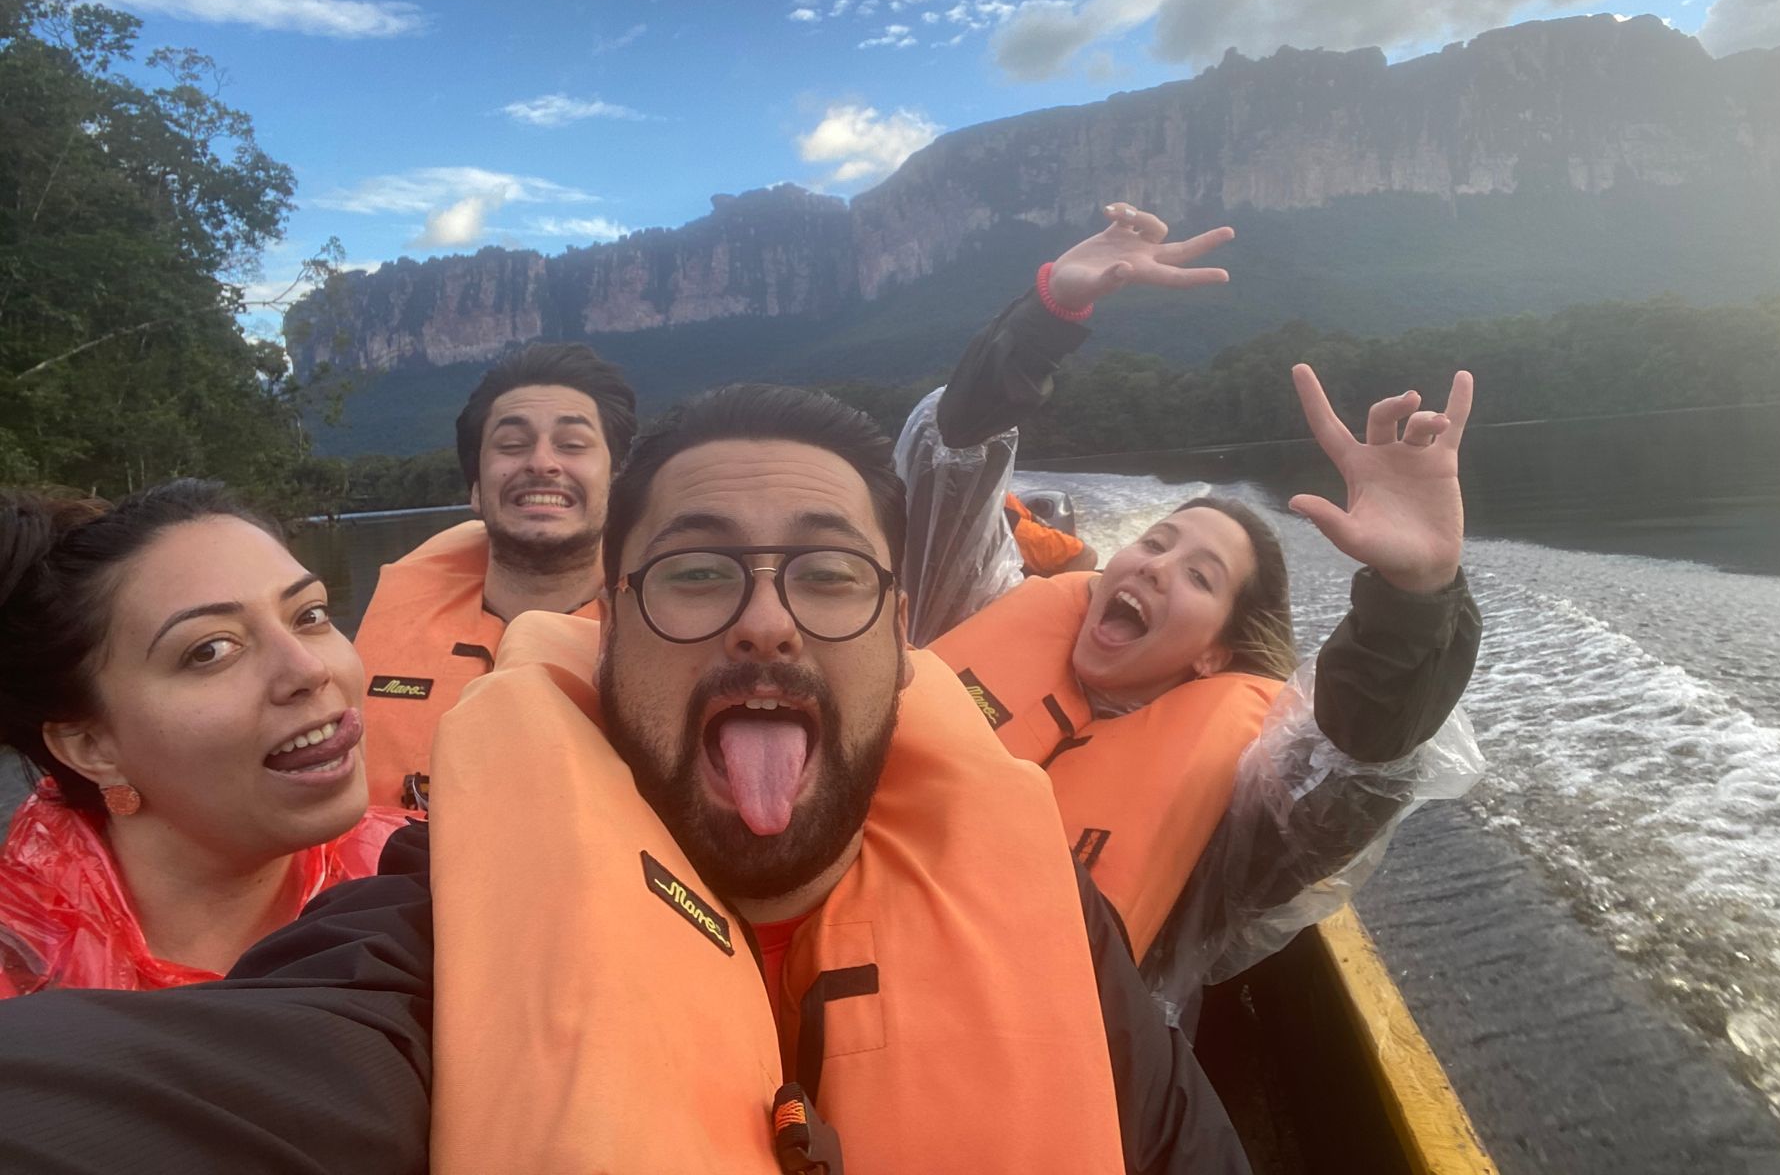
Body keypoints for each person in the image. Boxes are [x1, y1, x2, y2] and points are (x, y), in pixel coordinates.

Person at [0, 387, 1249, 1175]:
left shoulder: (1048, 920)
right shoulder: (441, 923)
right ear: (610, 622)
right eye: (697, 575)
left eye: (826, 576)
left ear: (901, 629)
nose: (765, 624)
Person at [899, 203, 1484, 1008]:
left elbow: (1358, 763)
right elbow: (951, 465)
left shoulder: (1238, 801)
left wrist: (1415, 595)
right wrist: (1047, 318)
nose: (1157, 566)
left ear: (1216, 651)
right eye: (1156, 543)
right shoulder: (973, 607)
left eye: (1202, 578)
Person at [0, 481, 408, 996]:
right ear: (91, 747)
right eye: (211, 650)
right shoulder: (23, 983)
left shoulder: (434, 884)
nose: (308, 668)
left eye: (310, 615)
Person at [355, 341, 638, 810]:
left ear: (617, 485)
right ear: (476, 491)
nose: (542, 463)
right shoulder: (386, 620)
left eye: (572, 445)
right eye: (511, 445)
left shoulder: (672, 645)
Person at [1005, 489, 1099, 573]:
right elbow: (1084, 555)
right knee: (1087, 555)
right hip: (1006, 526)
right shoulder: (1006, 520)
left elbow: (1028, 516)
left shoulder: (1003, 498)